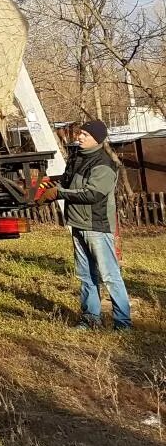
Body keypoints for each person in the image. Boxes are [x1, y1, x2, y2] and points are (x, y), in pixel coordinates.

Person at [57, 120, 132, 331]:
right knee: (86, 275)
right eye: (80, 133)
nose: (79, 137)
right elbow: (66, 183)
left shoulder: (104, 164)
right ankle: (90, 318)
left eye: (85, 135)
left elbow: (93, 194)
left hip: (96, 226)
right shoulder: (77, 158)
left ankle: (123, 323)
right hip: (77, 224)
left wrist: (60, 193)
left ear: (97, 140)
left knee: (110, 276)